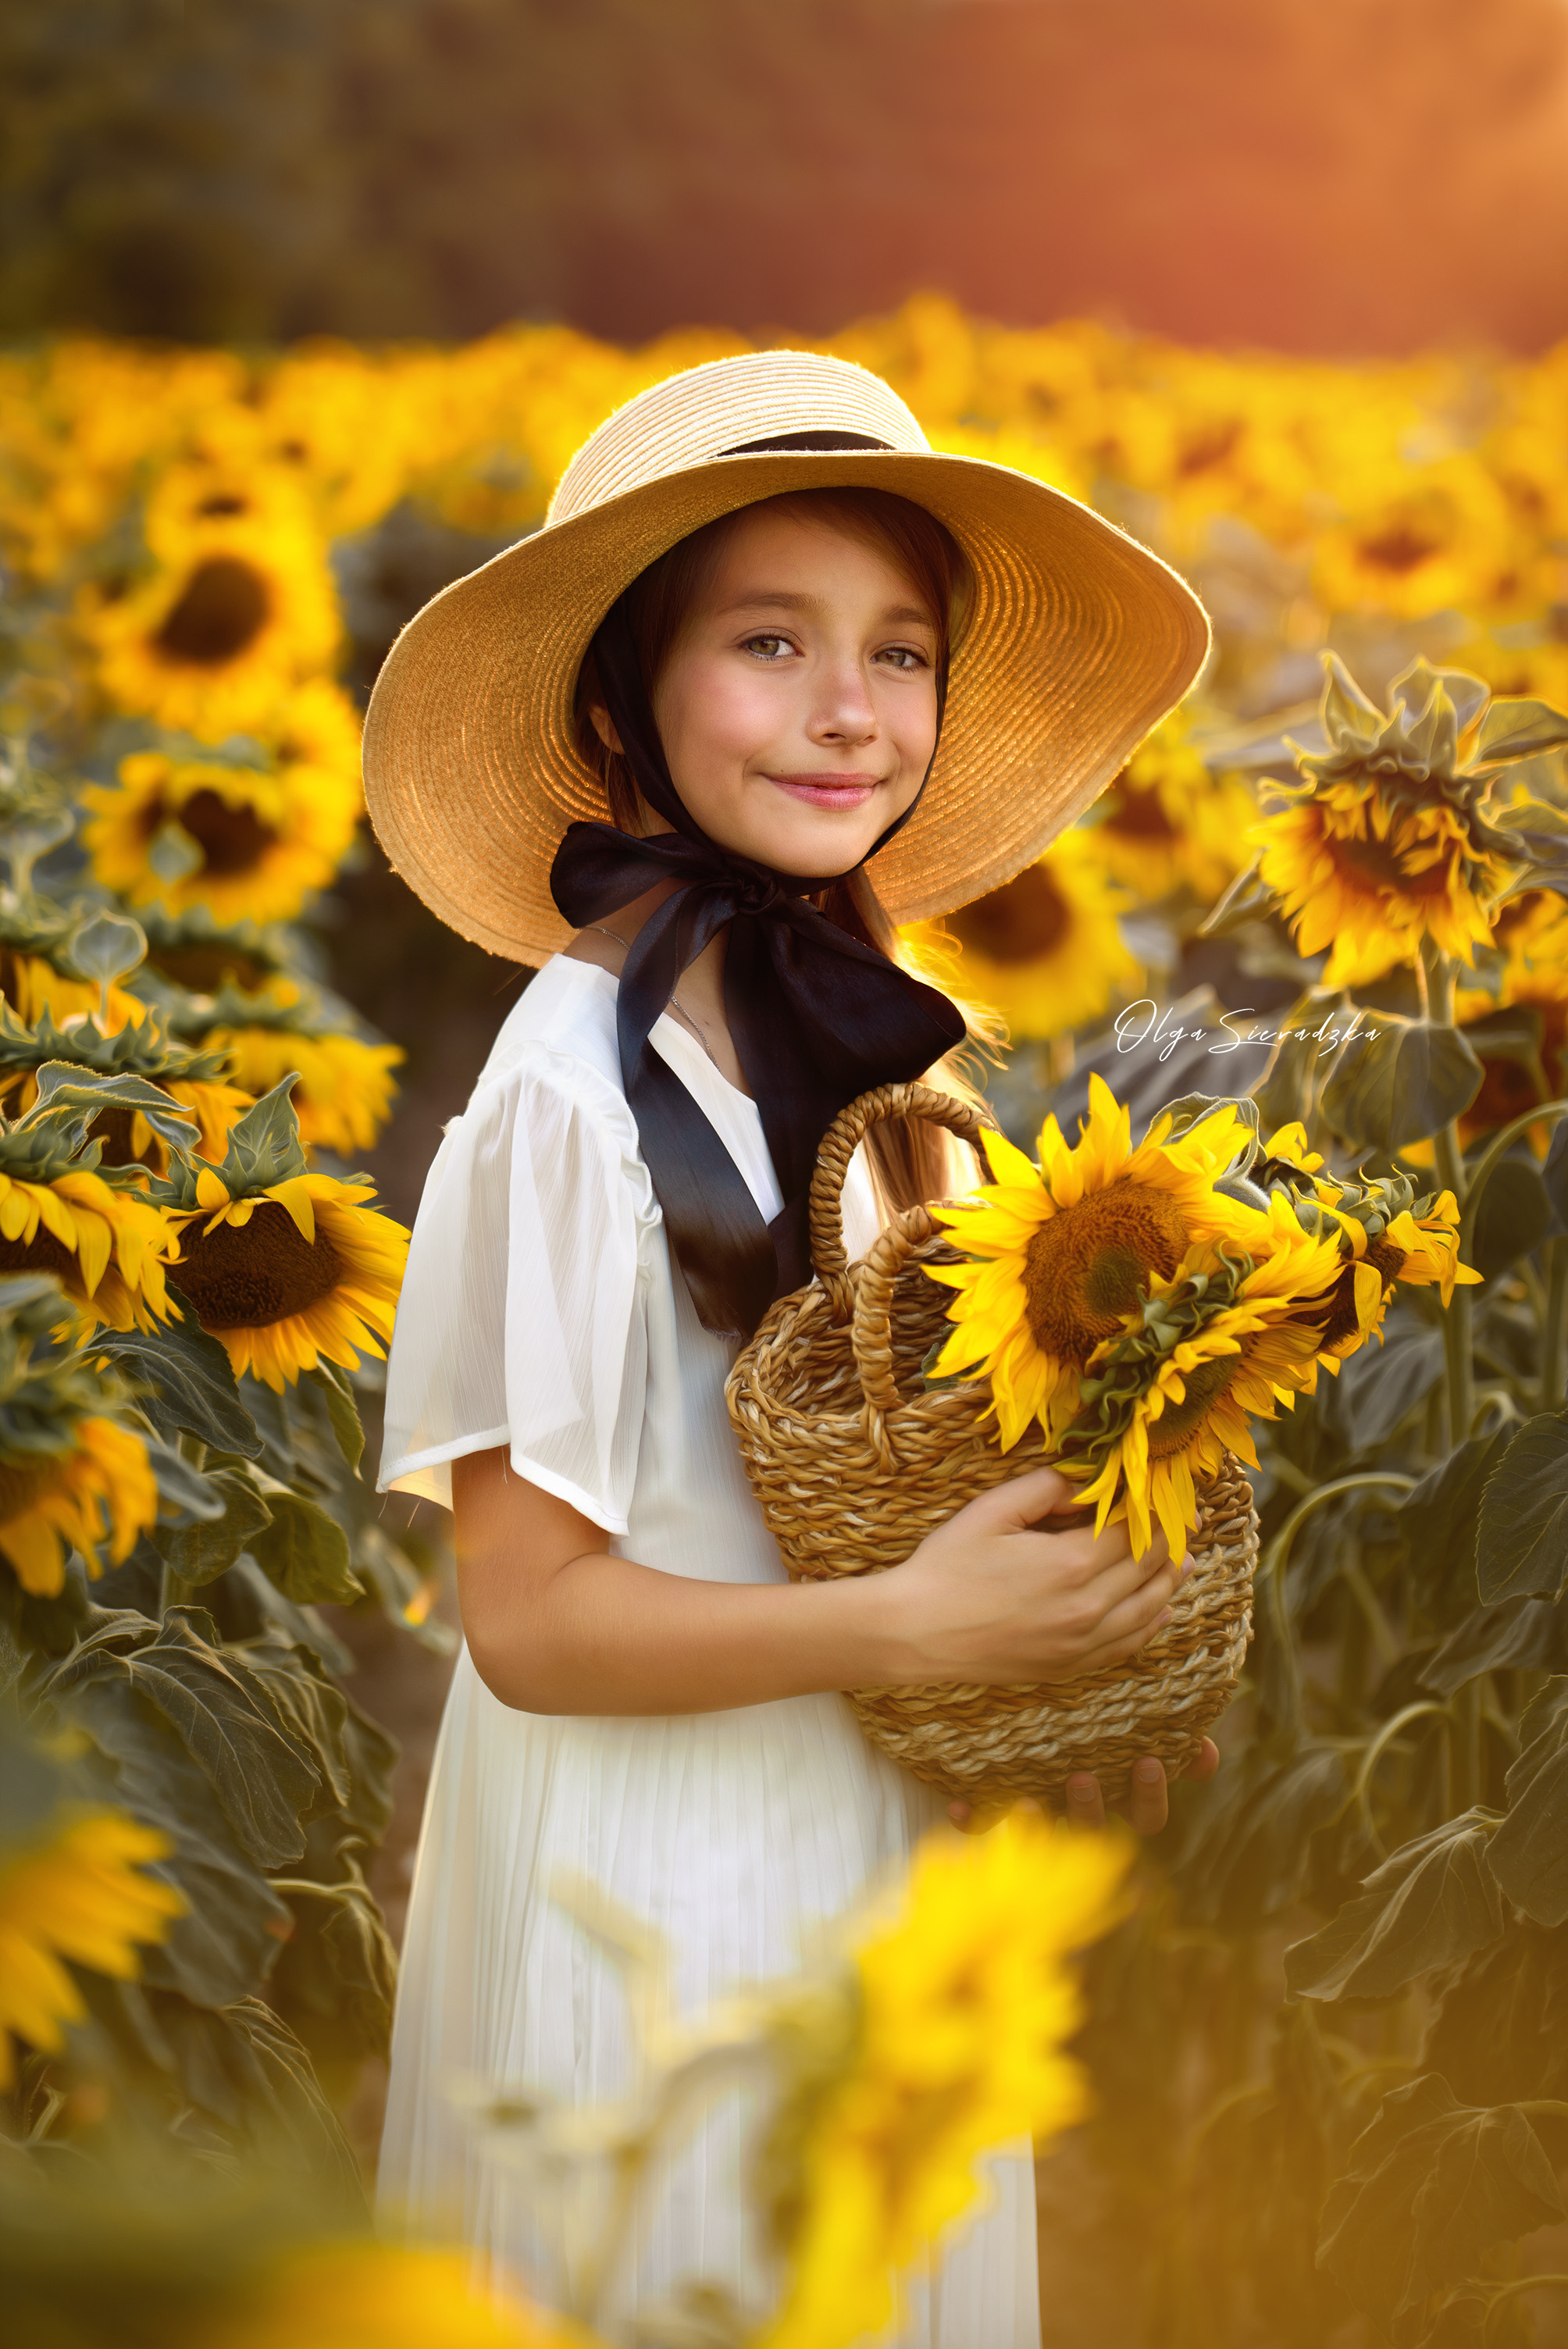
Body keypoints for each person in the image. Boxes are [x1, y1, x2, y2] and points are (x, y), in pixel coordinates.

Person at [365, 351, 1215, 2344]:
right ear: (619, 702)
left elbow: (891, 1473)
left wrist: (1072, 1636)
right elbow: (530, 1619)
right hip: (649, 1886)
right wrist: (913, 1632)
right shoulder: (568, 1087)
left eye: (898, 652)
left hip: (864, 1856)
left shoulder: (871, 1040)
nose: (851, 709)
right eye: (769, 640)